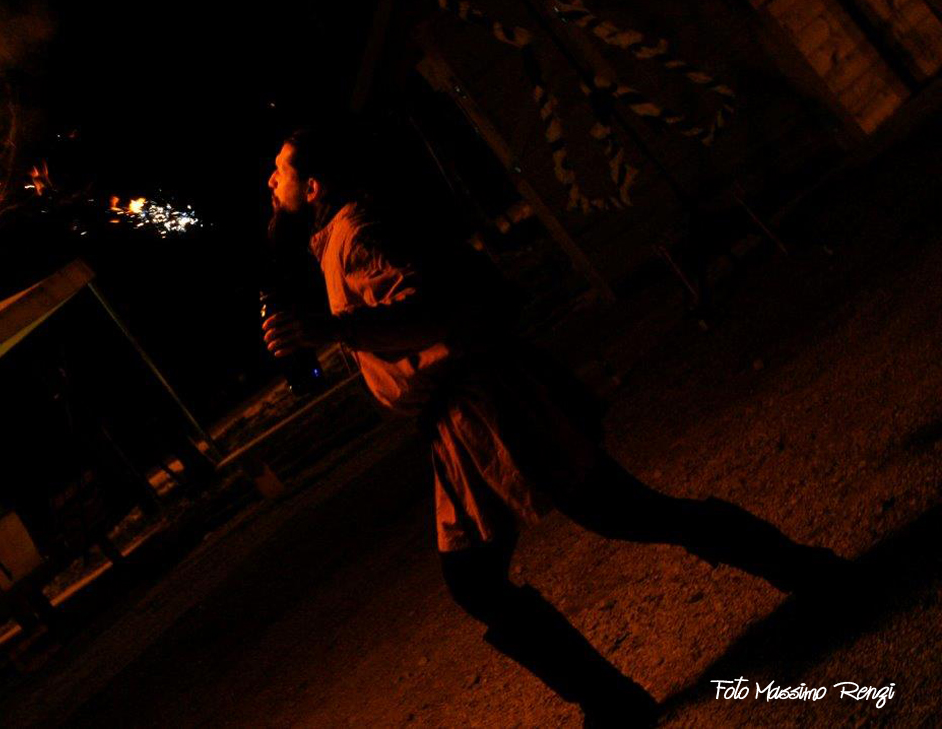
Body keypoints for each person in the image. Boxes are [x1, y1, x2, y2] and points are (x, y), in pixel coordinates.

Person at [261, 123, 848, 727]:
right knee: (485, 574)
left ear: (314, 186)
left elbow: (431, 312)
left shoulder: (357, 234)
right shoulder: (335, 241)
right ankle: (618, 697)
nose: (271, 181)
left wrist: (333, 329)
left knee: (622, 514)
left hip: (490, 407)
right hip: (457, 424)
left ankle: (802, 573)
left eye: (281, 170)